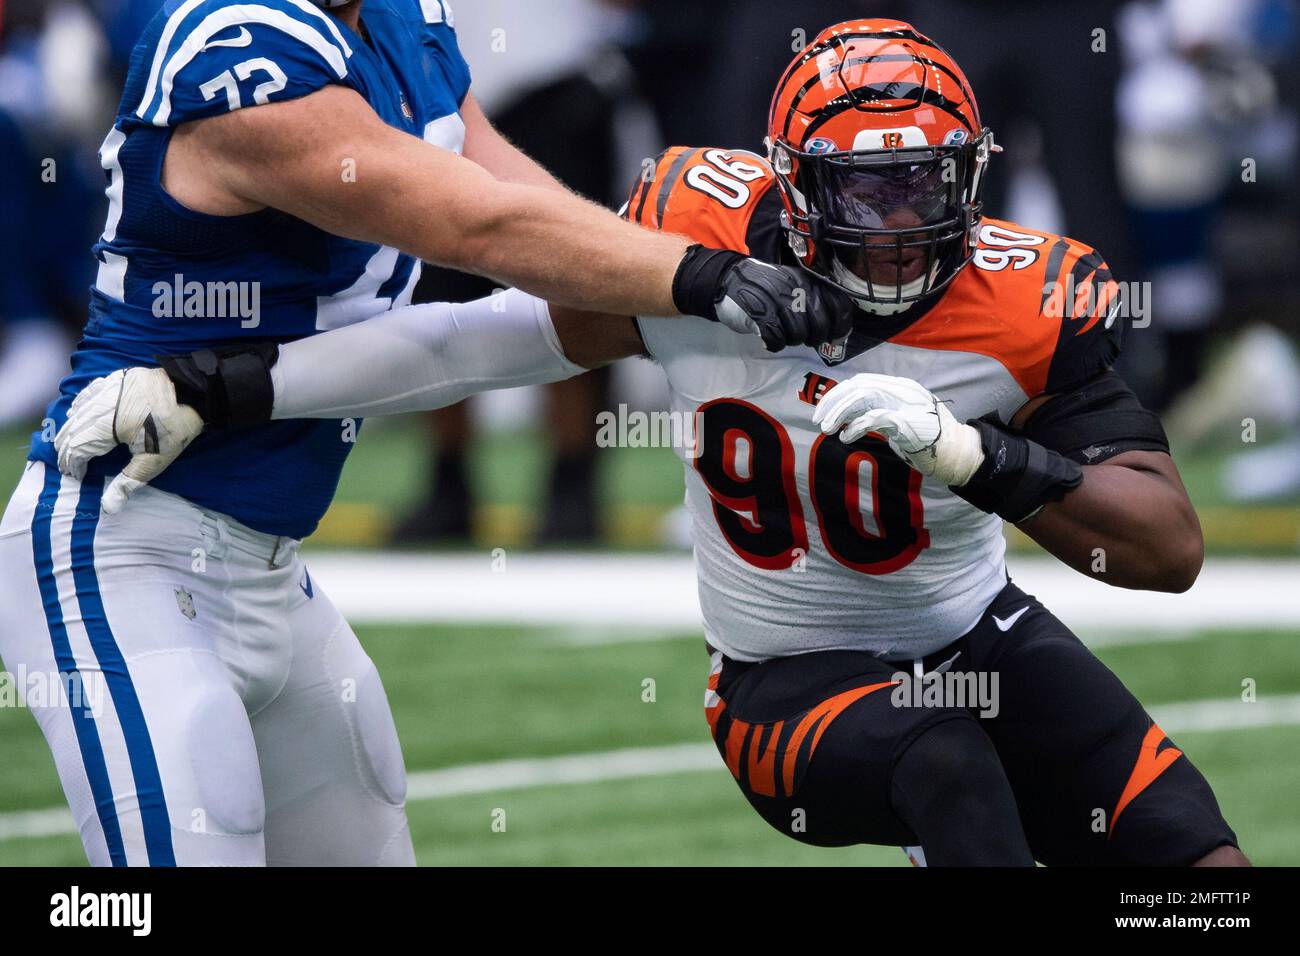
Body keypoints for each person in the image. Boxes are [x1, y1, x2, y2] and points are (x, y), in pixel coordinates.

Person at [53, 18, 1246, 866]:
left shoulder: (1025, 293)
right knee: (947, 766)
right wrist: (234, 383)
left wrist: (976, 455)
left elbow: (1163, 546)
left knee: (1188, 851)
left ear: (975, 177)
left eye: (924, 185)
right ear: (786, 182)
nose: (899, 226)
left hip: (971, 626)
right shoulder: (700, 238)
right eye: (863, 191)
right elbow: (477, 343)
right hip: (791, 683)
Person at [0, 0, 850, 868]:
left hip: (266, 566)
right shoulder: (237, 52)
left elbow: (518, 239)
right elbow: (478, 226)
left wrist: (675, 288)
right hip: (122, 546)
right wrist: (692, 273)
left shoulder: (402, 19)